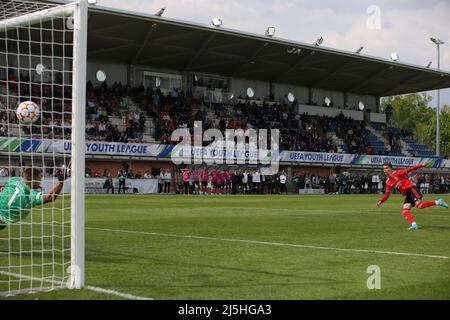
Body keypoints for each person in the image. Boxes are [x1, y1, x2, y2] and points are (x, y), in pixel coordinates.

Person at [376, 162, 448, 230]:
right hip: (408, 194)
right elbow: (387, 194)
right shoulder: (388, 182)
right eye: (384, 168)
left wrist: (421, 165)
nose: (385, 170)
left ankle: (438, 202)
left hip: (412, 189)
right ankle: (414, 225)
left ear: (391, 168)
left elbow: (410, 169)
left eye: (386, 168)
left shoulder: (397, 173)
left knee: (419, 206)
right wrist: (381, 201)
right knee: (405, 210)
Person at [0, 164, 69, 230]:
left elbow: (3, 188)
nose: (39, 182)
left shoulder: (14, 180)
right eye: (38, 180)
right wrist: (61, 181)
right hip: (3, 218)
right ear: (32, 179)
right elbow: (50, 197)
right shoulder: (30, 194)